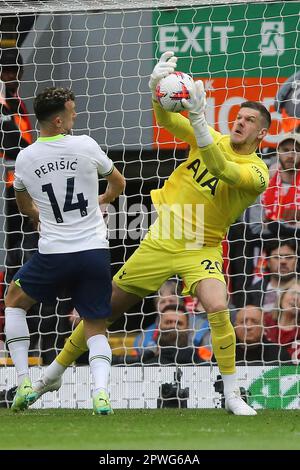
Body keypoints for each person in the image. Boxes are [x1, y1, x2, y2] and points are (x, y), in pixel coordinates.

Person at [30, 51, 271, 415]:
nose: (240, 123)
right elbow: (166, 121)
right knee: (103, 309)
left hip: (200, 247)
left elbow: (222, 170)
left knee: (219, 306)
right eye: (238, 117)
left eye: (249, 120)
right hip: (161, 239)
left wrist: (199, 119)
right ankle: (54, 372)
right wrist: (155, 89)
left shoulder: (258, 172)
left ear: (262, 132)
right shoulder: (213, 138)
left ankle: (233, 394)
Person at [4, 86, 125, 414]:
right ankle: (100, 394)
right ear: (58, 120)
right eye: (72, 111)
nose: (75, 115)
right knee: (95, 325)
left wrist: (35, 215)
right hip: (93, 252)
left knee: (14, 302)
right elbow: (119, 183)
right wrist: (103, 200)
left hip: (54, 254)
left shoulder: (27, 157)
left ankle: (23, 380)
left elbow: (20, 198)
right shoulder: (85, 145)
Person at [246, 239, 298, 312]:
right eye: (277, 257)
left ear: (297, 261)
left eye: (289, 257)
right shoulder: (252, 292)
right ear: (268, 262)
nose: (283, 261)